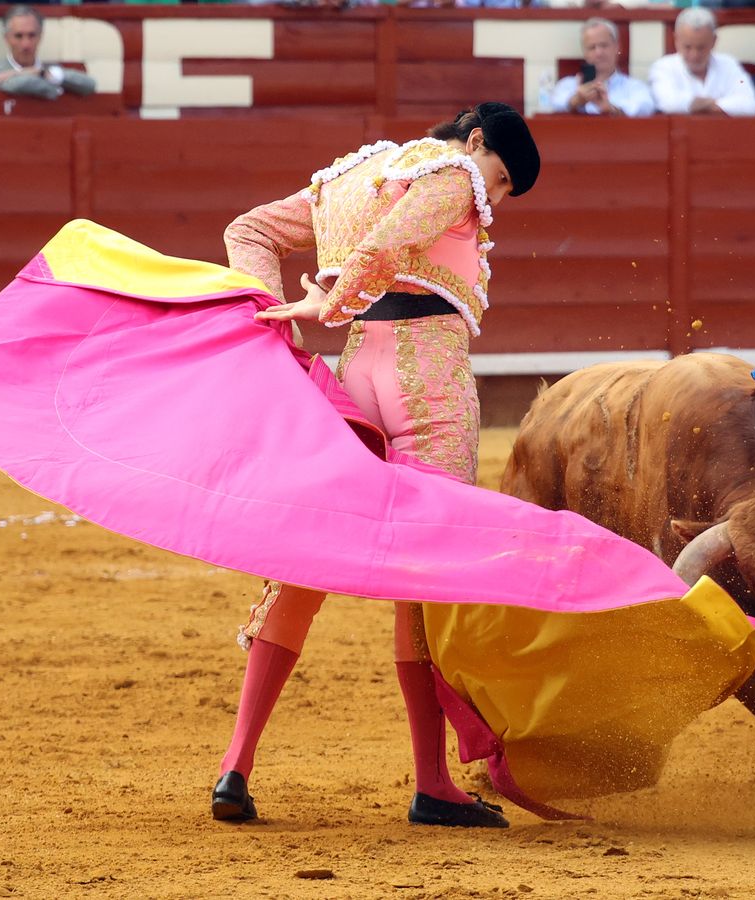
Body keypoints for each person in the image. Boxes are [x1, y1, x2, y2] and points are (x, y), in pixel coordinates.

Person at [214, 102, 540, 829]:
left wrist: (267, 307)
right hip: (429, 380)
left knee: (304, 560)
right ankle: (432, 782)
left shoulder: (350, 176)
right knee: (426, 578)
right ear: (478, 140)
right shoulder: (454, 174)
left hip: (358, 371)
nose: (494, 201)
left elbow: (251, 230)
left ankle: (236, 764)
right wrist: (325, 303)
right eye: (503, 182)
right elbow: (391, 246)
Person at [648, 7, 755, 117]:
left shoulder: (728, 64)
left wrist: (694, 105)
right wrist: (717, 104)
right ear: (676, 39)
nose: (694, 55)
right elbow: (668, 103)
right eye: (687, 47)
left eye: (701, 47)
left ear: (714, 41)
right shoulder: (663, 67)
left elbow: (750, 106)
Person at [0, 5, 96, 101]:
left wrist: (39, 72)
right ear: (7, 38)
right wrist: (43, 77)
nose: (26, 44)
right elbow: (20, 85)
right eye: (18, 36)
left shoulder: (47, 71)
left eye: (32, 35)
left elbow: (89, 84)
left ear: (40, 37)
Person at [548, 17, 655, 117]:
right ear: (585, 53)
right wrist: (576, 100)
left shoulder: (634, 87)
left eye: (604, 45)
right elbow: (552, 104)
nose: (599, 52)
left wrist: (611, 109)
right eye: (592, 47)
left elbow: (645, 106)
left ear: (617, 47)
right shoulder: (567, 85)